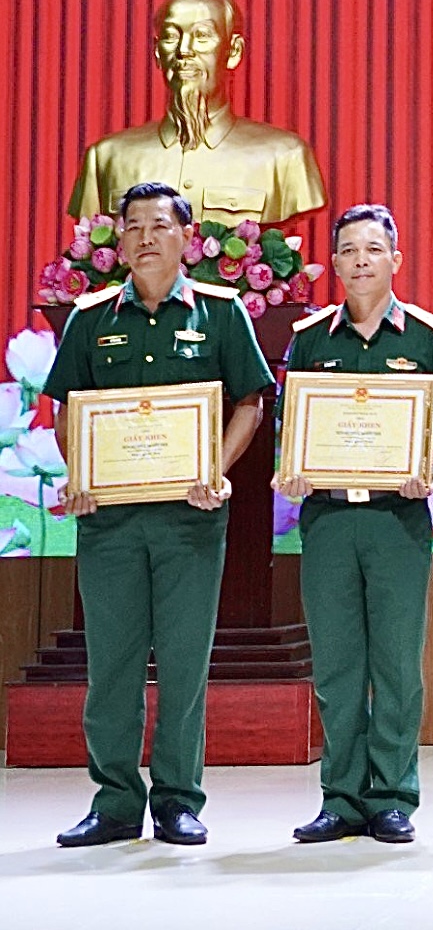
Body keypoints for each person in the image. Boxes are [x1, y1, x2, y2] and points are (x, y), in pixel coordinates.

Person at [42, 181, 274, 847]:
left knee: (182, 664)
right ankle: (115, 802)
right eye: (134, 226)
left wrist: (215, 468)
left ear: (186, 238)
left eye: (160, 225)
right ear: (119, 240)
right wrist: (81, 475)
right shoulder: (91, 318)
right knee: (112, 666)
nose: (146, 237)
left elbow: (251, 402)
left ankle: (178, 800)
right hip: (110, 522)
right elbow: (67, 409)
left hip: (188, 520)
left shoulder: (222, 313)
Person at [274, 204, 433, 845]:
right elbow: (292, 424)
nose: (362, 260)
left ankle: (392, 797)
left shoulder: (428, 337)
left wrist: (422, 461)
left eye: (373, 249)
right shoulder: (310, 339)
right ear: (335, 262)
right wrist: (294, 467)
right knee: (336, 665)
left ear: (395, 259)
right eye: (350, 250)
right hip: (328, 518)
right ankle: (340, 798)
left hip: (396, 519)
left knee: (396, 666)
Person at [68, 0, 326, 225]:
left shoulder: (284, 156)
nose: (184, 50)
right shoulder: (107, 157)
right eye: (171, 36)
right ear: (157, 52)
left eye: (202, 36)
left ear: (233, 51)